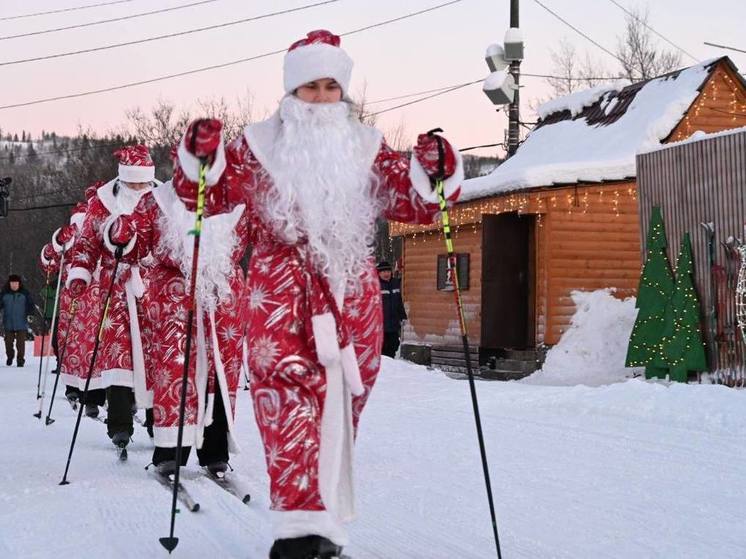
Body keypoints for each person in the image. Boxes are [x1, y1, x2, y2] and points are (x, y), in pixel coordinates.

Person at [164, 29, 463, 559]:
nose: (322, 98)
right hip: (277, 304)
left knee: (339, 415)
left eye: (331, 86)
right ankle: (297, 535)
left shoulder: (367, 149)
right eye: (310, 87)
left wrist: (435, 170)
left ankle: (320, 529)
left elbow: (420, 205)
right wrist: (198, 157)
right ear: (289, 92)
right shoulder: (255, 150)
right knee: (286, 412)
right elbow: (199, 196)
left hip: (354, 307)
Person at [65, 147, 155, 450]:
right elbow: (87, 243)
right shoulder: (102, 203)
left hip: (154, 288)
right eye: (134, 183)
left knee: (157, 356)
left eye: (144, 183)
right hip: (115, 287)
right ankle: (119, 425)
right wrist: (80, 272)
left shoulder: (162, 199)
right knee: (119, 356)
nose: (139, 189)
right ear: (124, 179)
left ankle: (160, 420)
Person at [1, 274, 35, 367]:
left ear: (19, 284)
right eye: (12, 283)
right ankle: (10, 356)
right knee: (8, 342)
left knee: (20, 343)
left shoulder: (25, 293)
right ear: (9, 284)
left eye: (16, 283)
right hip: (8, 322)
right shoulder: (4, 294)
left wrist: (31, 314)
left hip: (21, 322)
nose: (14, 285)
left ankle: (20, 360)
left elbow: (30, 305)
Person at [376, 261, 407, 358]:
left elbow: (399, 300)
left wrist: (402, 315)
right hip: (381, 325)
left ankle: (391, 366)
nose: (386, 274)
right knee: (382, 348)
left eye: (388, 271)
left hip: (394, 324)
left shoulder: (395, 283)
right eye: (383, 272)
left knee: (393, 346)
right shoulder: (375, 285)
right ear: (379, 273)